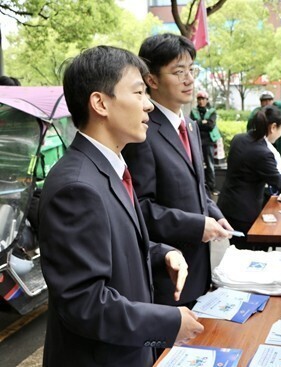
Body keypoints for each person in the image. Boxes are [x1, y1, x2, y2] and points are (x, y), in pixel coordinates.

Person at [38, 45, 204, 367]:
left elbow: (113, 245)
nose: (148, 106)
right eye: (139, 92)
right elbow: (85, 302)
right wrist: (167, 323)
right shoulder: (76, 187)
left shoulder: (109, 167)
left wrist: (161, 253)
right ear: (100, 103)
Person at [122, 33, 232, 308]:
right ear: (152, 80)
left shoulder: (190, 125)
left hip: (200, 266)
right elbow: (140, 208)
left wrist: (215, 214)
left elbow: (196, 187)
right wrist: (195, 225)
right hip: (167, 274)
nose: (189, 79)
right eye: (178, 72)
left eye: (192, 70)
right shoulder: (142, 131)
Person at [218, 105, 281, 249]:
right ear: (273, 127)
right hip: (245, 213)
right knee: (250, 255)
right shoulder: (263, 152)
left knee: (237, 251)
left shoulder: (239, 139)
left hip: (228, 206)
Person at [190, 90, 218, 195]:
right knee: (198, 164)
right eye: (199, 99)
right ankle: (201, 188)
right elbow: (193, 124)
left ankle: (212, 187)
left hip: (209, 141)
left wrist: (200, 123)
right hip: (198, 141)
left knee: (210, 165)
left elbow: (211, 126)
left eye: (203, 99)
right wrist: (203, 123)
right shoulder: (194, 111)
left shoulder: (212, 111)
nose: (201, 101)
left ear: (207, 100)